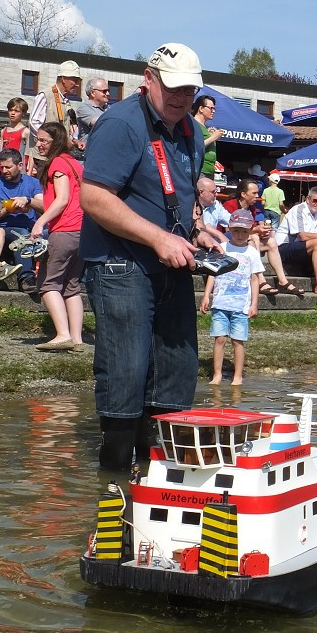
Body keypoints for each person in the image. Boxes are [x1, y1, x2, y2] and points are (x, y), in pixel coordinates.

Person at [79, 42, 216, 470]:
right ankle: (114, 479)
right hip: (121, 264)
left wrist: (198, 231)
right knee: (127, 372)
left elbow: (177, 195)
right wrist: (158, 238)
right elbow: (94, 197)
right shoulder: (120, 123)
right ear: (149, 78)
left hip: (172, 260)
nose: (181, 98)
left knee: (178, 369)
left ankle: (157, 475)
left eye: (190, 90)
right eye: (173, 88)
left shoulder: (191, 130)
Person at [29, 123, 85, 352]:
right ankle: (77, 339)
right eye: (38, 140)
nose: (39, 145)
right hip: (82, 230)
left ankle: (62, 335)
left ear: (56, 141)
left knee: (47, 282)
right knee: (71, 285)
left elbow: (61, 200)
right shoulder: (74, 163)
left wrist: (40, 221)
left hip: (65, 229)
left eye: (44, 140)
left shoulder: (58, 163)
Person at [200, 209, 262, 386]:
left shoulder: (252, 252)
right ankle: (217, 374)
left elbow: (254, 278)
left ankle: (237, 376)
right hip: (220, 302)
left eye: (244, 231)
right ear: (229, 229)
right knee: (219, 338)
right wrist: (206, 295)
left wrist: (254, 304)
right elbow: (212, 273)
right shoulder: (222, 248)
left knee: (238, 341)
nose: (240, 235)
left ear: (250, 230)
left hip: (241, 304)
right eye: (236, 230)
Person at [0, 148, 43, 292]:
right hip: (5, 229)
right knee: (21, 234)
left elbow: (45, 206)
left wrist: (28, 201)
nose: (4, 171)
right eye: (2, 167)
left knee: (54, 233)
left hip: (32, 227)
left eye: (8, 167)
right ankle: (26, 278)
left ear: (20, 166)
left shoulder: (32, 183)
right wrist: (6, 210)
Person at [30, 60, 81, 147]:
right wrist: (50, 140)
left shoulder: (65, 100)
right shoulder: (45, 95)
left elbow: (63, 128)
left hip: (54, 153)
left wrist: (73, 140)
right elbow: (34, 123)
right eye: (75, 81)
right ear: (64, 79)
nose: (77, 85)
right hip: (41, 156)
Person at [74, 78, 111, 159]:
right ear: (93, 93)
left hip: (105, 155)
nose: (108, 93)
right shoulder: (83, 108)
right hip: (89, 156)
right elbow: (99, 123)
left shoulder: (110, 109)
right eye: (104, 91)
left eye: (108, 90)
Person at [191, 95, 224, 178]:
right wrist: (214, 137)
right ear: (201, 109)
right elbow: (194, 146)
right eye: (211, 108)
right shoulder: (193, 124)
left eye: (214, 109)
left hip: (208, 171)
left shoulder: (204, 127)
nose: (213, 111)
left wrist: (211, 136)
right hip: (200, 170)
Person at [196, 176, 229, 244]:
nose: (216, 194)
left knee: (251, 237)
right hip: (198, 242)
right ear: (201, 192)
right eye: (213, 192)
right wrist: (219, 235)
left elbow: (229, 219)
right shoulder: (191, 205)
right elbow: (202, 225)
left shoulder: (216, 204)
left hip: (215, 241)